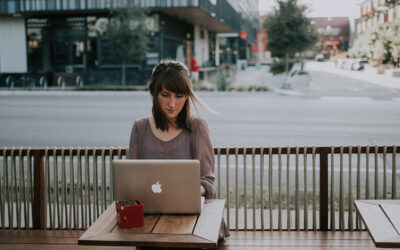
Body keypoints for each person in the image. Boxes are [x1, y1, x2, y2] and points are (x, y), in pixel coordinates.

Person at [128, 59, 229, 243]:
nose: (172, 104)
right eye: (165, 95)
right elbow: (130, 180)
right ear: (153, 92)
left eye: (180, 96)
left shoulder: (198, 127)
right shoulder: (139, 128)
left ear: (187, 96)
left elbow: (208, 183)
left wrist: (187, 191)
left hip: (193, 225)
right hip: (149, 223)